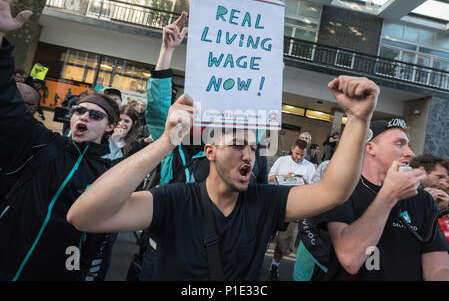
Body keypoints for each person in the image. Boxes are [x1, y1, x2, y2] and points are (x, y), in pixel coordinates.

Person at [67, 56, 381, 282]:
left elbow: (334, 190)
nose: (248, 154)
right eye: (236, 145)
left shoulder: (265, 202)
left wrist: (357, 119)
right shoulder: (174, 199)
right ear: (210, 151)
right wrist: (166, 141)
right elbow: (85, 216)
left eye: (254, 147)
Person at [0, 0, 122, 280]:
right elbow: (6, 101)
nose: (84, 117)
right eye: (80, 110)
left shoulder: (109, 175)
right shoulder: (41, 142)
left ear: (110, 127)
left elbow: (97, 243)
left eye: (96, 115)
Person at [314, 118, 449, 280]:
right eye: (399, 144)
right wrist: (389, 195)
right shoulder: (343, 190)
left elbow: (437, 265)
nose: (410, 153)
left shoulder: (423, 199)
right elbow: (350, 259)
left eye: (409, 145)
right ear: (370, 147)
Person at [268, 138, 316, 280]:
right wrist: (282, 177)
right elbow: (268, 178)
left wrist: (304, 181)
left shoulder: (309, 167)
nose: (299, 157)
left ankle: (274, 266)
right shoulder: (281, 160)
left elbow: (314, 188)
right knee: (265, 236)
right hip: (276, 205)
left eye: (302, 155)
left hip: (295, 209)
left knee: (284, 243)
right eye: (296, 154)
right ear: (291, 149)